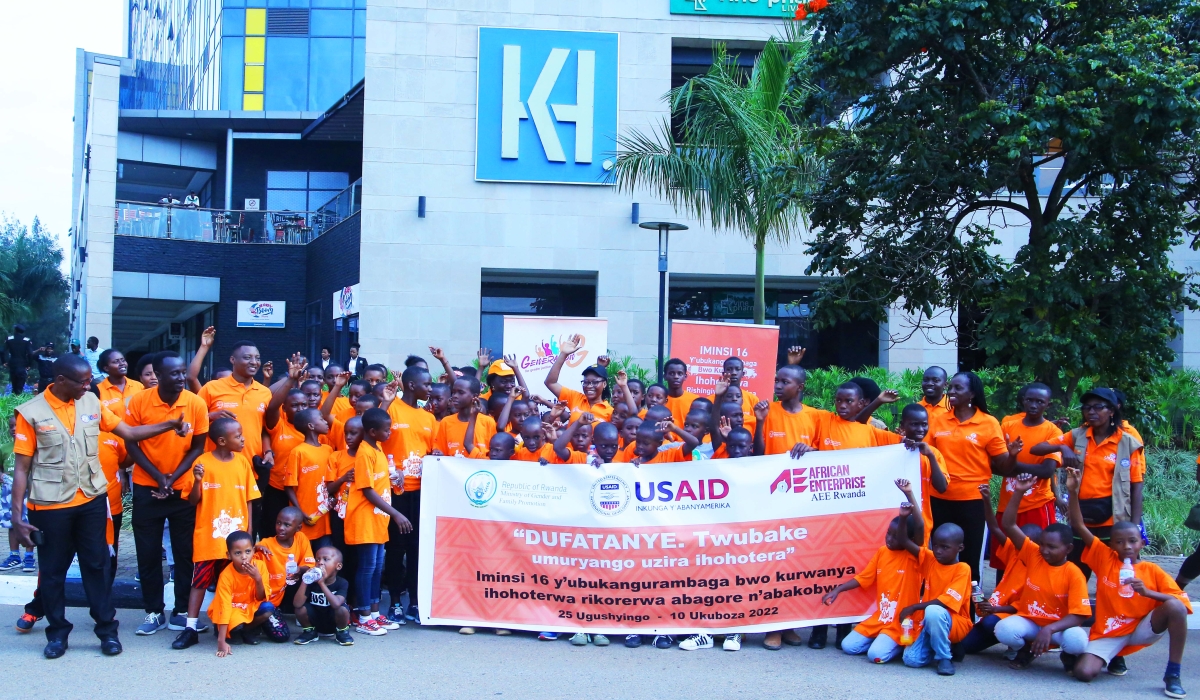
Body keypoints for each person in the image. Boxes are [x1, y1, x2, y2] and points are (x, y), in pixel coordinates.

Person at [10, 354, 185, 658]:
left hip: (91, 500)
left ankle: (107, 631)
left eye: (90, 379)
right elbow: (22, 468)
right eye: (82, 381)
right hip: (50, 506)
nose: (89, 384)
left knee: (98, 566)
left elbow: (129, 433)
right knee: (52, 571)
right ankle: (58, 634)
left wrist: (168, 425)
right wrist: (17, 517)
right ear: (60, 380)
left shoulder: (92, 402)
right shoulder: (32, 412)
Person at [1063, 467, 1190, 696]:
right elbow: (1080, 527)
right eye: (1119, 542)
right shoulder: (1105, 559)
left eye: (1132, 541)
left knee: (1175, 606)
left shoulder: (1151, 570)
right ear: (1111, 545)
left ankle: (1173, 673)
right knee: (1084, 673)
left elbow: (1179, 601)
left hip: (1141, 628)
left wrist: (1148, 593)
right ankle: (1108, 654)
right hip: (1111, 630)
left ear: (1142, 543)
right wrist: (1073, 492)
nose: (1127, 547)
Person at [124, 352, 211, 636]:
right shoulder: (139, 401)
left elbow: (198, 446)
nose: (181, 377)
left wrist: (172, 477)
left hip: (184, 488)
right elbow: (132, 444)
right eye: (173, 373)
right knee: (148, 552)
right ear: (157, 376)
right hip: (147, 487)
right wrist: (158, 477)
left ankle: (182, 609)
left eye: (182, 372)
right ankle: (153, 611)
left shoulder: (195, 403)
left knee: (185, 551)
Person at [1030, 386, 1144, 580]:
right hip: (1081, 516)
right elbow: (1036, 448)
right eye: (1087, 408)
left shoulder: (1127, 442)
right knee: (1076, 573)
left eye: (1098, 407)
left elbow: (1136, 485)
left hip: (1114, 519)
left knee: (1117, 576)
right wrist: (1061, 447)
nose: (1092, 412)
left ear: (1111, 411)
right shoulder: (1078, 436)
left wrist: (1134, 527)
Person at [171, 417, 261, 650]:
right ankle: (190, 628)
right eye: (238, 436)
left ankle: (231, 624)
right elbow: (192, 500)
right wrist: (198, 481)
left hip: (237, 541)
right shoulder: (202, 463)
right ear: (222, 441)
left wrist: (249, 533)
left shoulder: (242, 462)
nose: (243, 439)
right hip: (208, 538)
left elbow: (250, 499)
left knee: (232, 582)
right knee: (199, 582)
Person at [993, 474, 1091, 671]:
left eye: (1052, 547)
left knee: (1078, 641)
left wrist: (1050, 628)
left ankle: (1068, 655)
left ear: (1068, 549)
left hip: (1057, 628)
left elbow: (1080, 615)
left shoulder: (1073, 573)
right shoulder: (1034, 555)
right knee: (1003, 630)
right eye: (1043, 544)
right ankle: (1026, 649)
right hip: (1030, 623)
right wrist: (1019, 491)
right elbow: (1009, 525)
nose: (1044, 550)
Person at [823, 480, 924, 664]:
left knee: (875, 655)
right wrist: (837, 590)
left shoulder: (914, 556)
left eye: (896, 536)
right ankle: (885, 641)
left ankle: (901, 643)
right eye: (888, 534)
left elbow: (919, 527)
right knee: (848, 646)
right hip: (880, 618)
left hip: (901, 621)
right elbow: (864, 578)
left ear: (908, 539)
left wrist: (909, 495)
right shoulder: (882, 552)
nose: (890, 539)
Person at [925, 371, 1008, 581]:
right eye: (950, 387)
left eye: (957, 388)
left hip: (973, 501)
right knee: (939, 556)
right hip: (939, 498)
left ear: (971, 393)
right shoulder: (939, 420)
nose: (950, 392)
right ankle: (939, 603)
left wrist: (1014, 454)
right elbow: (925, 454)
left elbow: (1003, 462)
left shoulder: (989, 423)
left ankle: (971, 609)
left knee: (970, 560)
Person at [196, 335, 274, 539]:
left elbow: (265, 429)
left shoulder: (264, 392)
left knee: (247, 527)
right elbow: (191, 421)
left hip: (251, 471)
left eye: (256, 358)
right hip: (215, 471)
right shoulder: (211, 389)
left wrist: (268, 451)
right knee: (215, 526)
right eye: (247, 358)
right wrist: (210, 416)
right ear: (232, 360)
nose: (254, 362)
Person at [379, 365, 439, 624]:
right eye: (427, 384)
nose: (430, 388)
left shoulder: (429, 418)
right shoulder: (392, 408)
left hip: (421, 494)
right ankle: (394, 603)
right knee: (395, 549)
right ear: (412, 385)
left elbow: (433, 452)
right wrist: (384, 403)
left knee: (417, 549)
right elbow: (371, 435)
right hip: (395, 493)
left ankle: (415, 602)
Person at [346, 408, 411, 635]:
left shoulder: (378, 447)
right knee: (367, 567)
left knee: (376, 568)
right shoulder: (365, 452)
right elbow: (366, 490)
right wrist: (395, 513)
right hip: (365, 518)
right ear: (372, 432)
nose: (390, 432)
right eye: (386, 429)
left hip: (378, 519)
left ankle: (374, 614)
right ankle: (363, 617)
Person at [963, 483, 1041, 659]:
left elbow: (1024, 609)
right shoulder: (1014, 552)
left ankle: (1022, 646)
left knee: (991, 623)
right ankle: (1005, 636)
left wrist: (994, 608)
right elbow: (994, 527)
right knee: (966, 645)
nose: (1018, 544)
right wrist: (986, 499)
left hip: (1014, 616)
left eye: (1024, 542)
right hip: (995, 612)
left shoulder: (1038, 566)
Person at [995, 383, 1063, 573]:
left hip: (1038, 504)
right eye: (1030, 400)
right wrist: (1015, 465)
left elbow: (1047, 471)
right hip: (1008, 504)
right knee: (1006, 558)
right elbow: (995, 466)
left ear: (1047, 405)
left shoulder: (1053, 432)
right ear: (1023, 401)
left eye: (1039, 402)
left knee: (1039, 557)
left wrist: (1011, 465)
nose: (1033, 405)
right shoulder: (1007, 426)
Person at [896, 520, 972, 676]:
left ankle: (944, 657)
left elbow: (945, 602)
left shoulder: (962, 569)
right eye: (935, 545)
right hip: (929, 622)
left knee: (933, 611)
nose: (938, 551)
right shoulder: (931, 560)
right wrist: (904, 517)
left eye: (945, 547)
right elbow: (903, 541)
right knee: (911, 660)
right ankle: (942, 644)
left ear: (960, 548)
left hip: (955, 622)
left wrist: (914, 607)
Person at [209, 530, 273, 657]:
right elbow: (224, 607)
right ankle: (227, 631)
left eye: (248, 551)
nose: (244, 557)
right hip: (232, 610)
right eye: (238, 553)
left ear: (253, 551)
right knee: (231, 621)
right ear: (229, 555)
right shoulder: (226, 576)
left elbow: (261, 597)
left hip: (249, 606)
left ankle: (244, 631)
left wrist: (258, 579)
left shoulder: (259, 566)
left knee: (268, 608)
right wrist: (221, 641)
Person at [254, 507, 314, 640]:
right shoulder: (266, 544)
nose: (281, 527)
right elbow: (244, 563)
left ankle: (305, 617)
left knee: (311, 575)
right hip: (264, 599)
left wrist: (299, 570)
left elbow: (310, 564)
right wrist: (254, 549)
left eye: (287, 525)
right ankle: (253, 624)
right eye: (278, 523)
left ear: (298, 528)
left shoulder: (301, 538)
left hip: (285, 590)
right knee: (281, 636)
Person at [285, 408, 334, 548]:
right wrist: (300, 512)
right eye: (321, 419)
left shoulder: (328, 449)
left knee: (323, 555)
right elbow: (288, 487)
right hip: (306, 517)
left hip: (324, 516)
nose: (326, 422)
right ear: (311, 426)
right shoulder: (298, 452)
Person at [293, 545, 354, 646]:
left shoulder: (342, 583)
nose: (320, 563)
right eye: (317, 560)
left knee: (342, 608)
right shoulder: (311, 582)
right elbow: (297, 604)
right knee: (300, 608)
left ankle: (342, 632)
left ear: (338, 566)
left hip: (333, 622)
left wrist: (322, 583)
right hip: (316, 621)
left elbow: (336, 604)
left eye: (326, 559)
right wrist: (305, 580)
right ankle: (310, 632)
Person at [544, 335, 612, 422]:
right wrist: (564, 354)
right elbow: (550, 383)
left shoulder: (610, 412)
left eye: (595, 382)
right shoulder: (576, 398)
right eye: (586, 382)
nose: (589, 386)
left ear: (604, 384)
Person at [435, 376, 496, 457]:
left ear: (475, 396)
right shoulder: (446, 422)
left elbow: (492, 456)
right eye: (453, 392)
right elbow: (441, 453)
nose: (455, 396)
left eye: (461, 392)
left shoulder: (488, 422)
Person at [662, 358, 700, 425]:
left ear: (685, 376)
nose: (676, 377)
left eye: (680, 373)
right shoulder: (660, 400)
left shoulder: (695, 401)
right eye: (671, 373)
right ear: (665, 376)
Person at [4, 325, 34, 394]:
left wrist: (4, 361)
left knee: (14, 385)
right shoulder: (26, 340)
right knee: (20, 385)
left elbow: (2, 351)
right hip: (22, 364)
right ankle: (19, 400)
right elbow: (30, 353)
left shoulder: (9, 339)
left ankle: (13, 400)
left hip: (13, 364)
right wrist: (29, 364)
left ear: (15, 330)